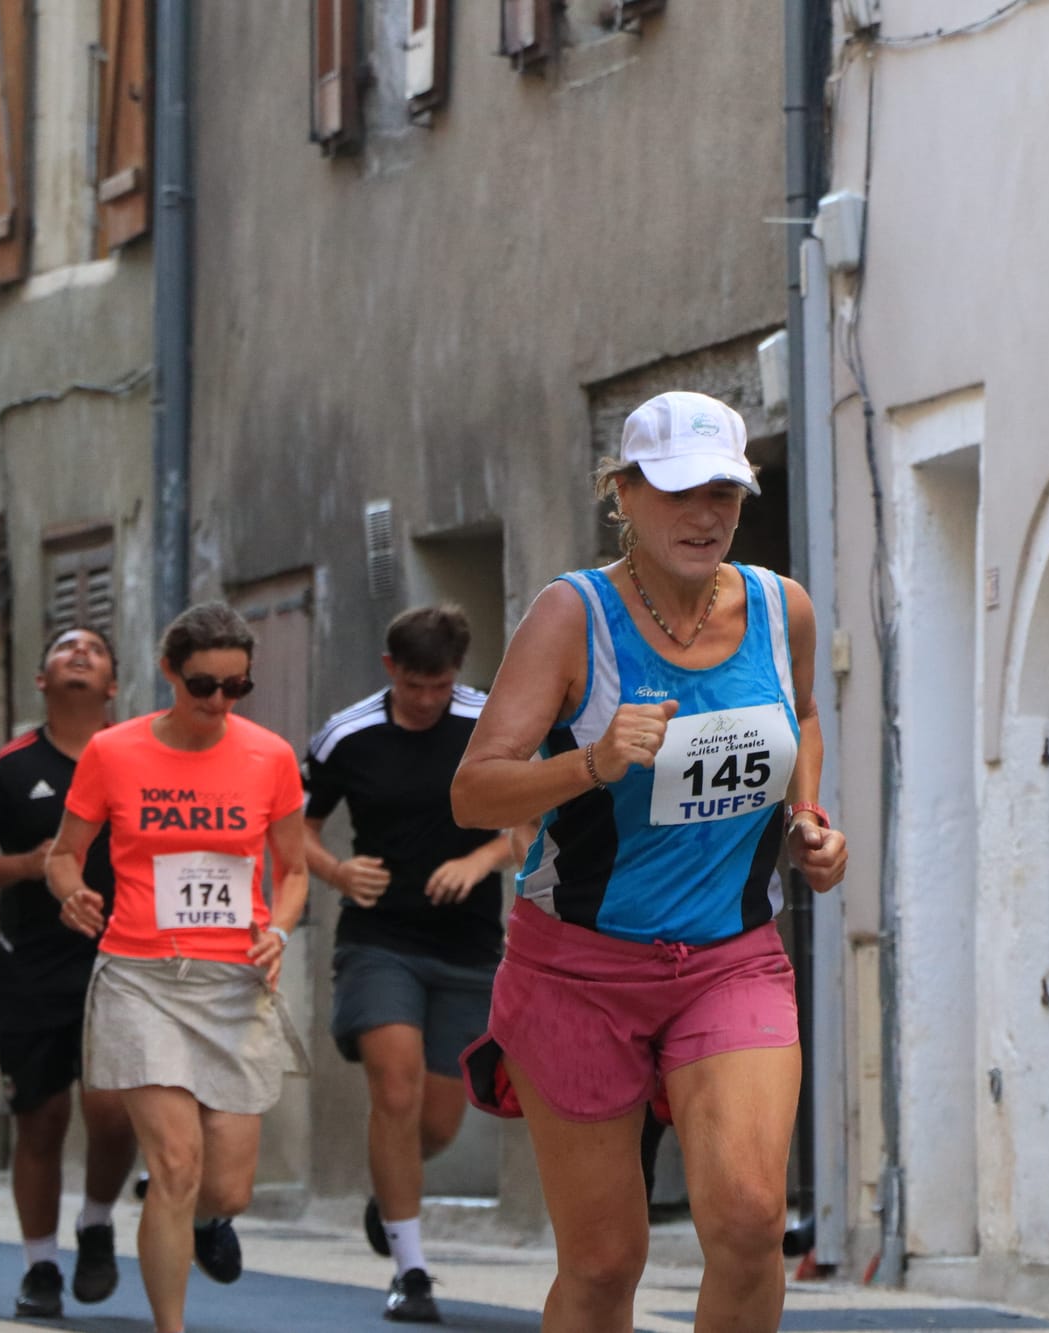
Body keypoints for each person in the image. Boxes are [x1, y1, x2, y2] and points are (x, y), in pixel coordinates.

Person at [452, 390, 849, 1333]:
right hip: (579, 967)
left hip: (730, 957)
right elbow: (475, 790)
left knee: (752, 1222)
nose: (705, 514)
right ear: (623, 494)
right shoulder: (571, 616)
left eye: (725, 491)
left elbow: (803, 717)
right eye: (678, 491)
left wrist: (806, 822)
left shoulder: (777, 606)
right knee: (601, 1264)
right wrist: (592, 761)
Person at [47, 602, 309, 1333]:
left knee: (227, 1187)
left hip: (235, 983)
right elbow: (62, 853)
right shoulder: (114, 752)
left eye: (236, 688)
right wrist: (72, 892)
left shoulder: (271, 756)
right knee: (178, 1165)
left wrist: (280, 931)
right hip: (141, 976)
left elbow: (292, 870)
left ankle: (201, 1220)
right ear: (168, 672)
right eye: (203, 685)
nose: (219, 703)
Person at [303, 604, 514, 1324]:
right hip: (379, 937)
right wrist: (335, 871)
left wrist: (480, 859)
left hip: (467, 945)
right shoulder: (346, 734)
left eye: (441, 685)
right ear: (391, 669)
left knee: (438, 1121)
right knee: (393, 1088)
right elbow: (289, 827)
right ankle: (411, 1269)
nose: (428, 699)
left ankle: (389, 1198)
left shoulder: (488, 721)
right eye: (416, 684)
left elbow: (529, 818)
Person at [0, 627, 138, 1317]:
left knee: (114, 1112)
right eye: (64, 647)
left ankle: (97, 1219)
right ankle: (41, 1266)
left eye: (94, 648)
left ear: (113, 685)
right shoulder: (11, 766)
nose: (79, 652)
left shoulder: (138, 756)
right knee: (41, 1118)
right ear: (41, 680)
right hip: (32, 965)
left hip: (122, 960)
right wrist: (26, 866)